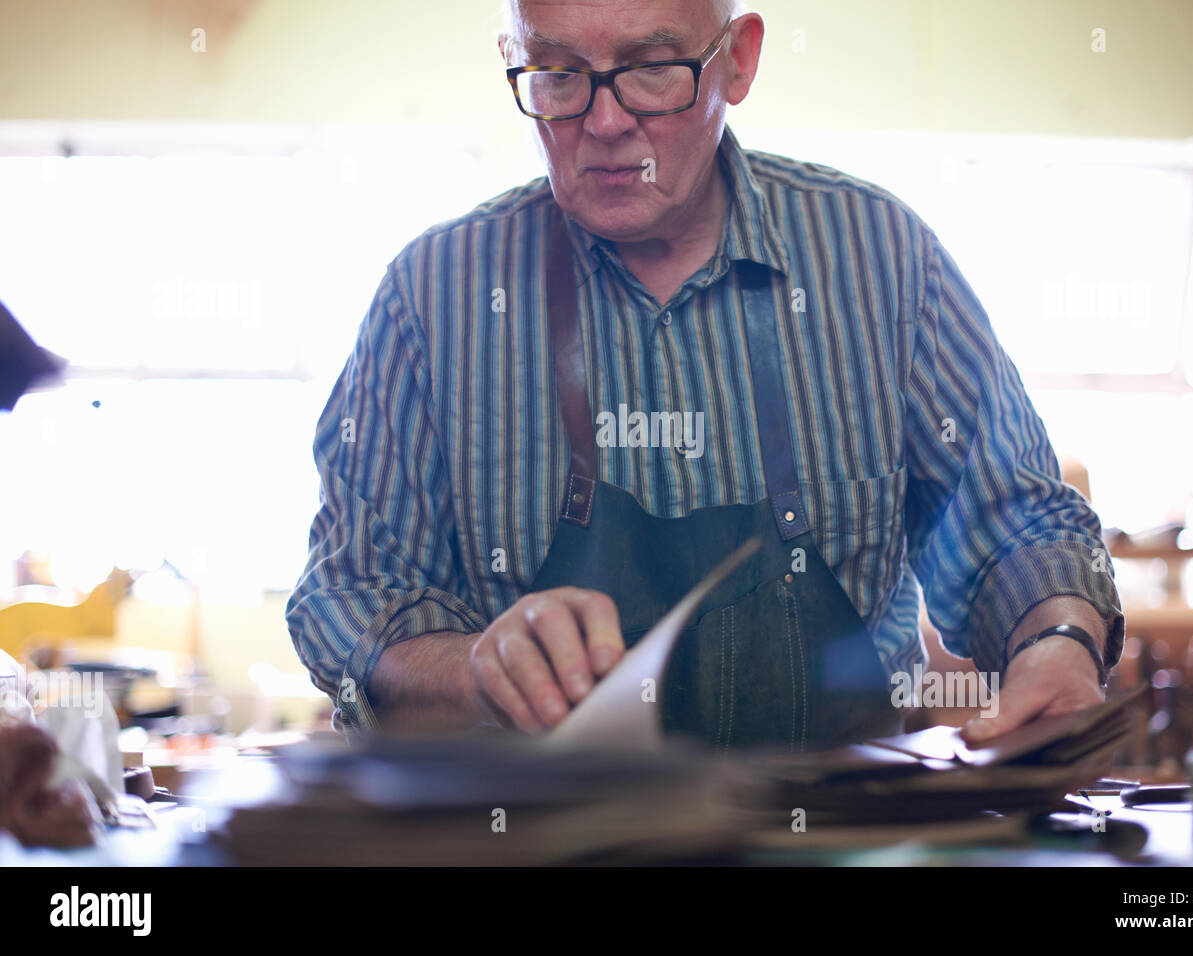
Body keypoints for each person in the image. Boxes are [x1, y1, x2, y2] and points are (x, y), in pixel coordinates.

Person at [286, 0, 1124, 750]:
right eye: (559, 75)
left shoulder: (879, 260)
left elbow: (1019, 521)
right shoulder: (436, 296)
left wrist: (1057, 642)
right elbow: (356, 597)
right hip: (534, 845)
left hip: (835, 843)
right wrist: (475, 667)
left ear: (738, 59)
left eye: (652, 70)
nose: (606, 121)